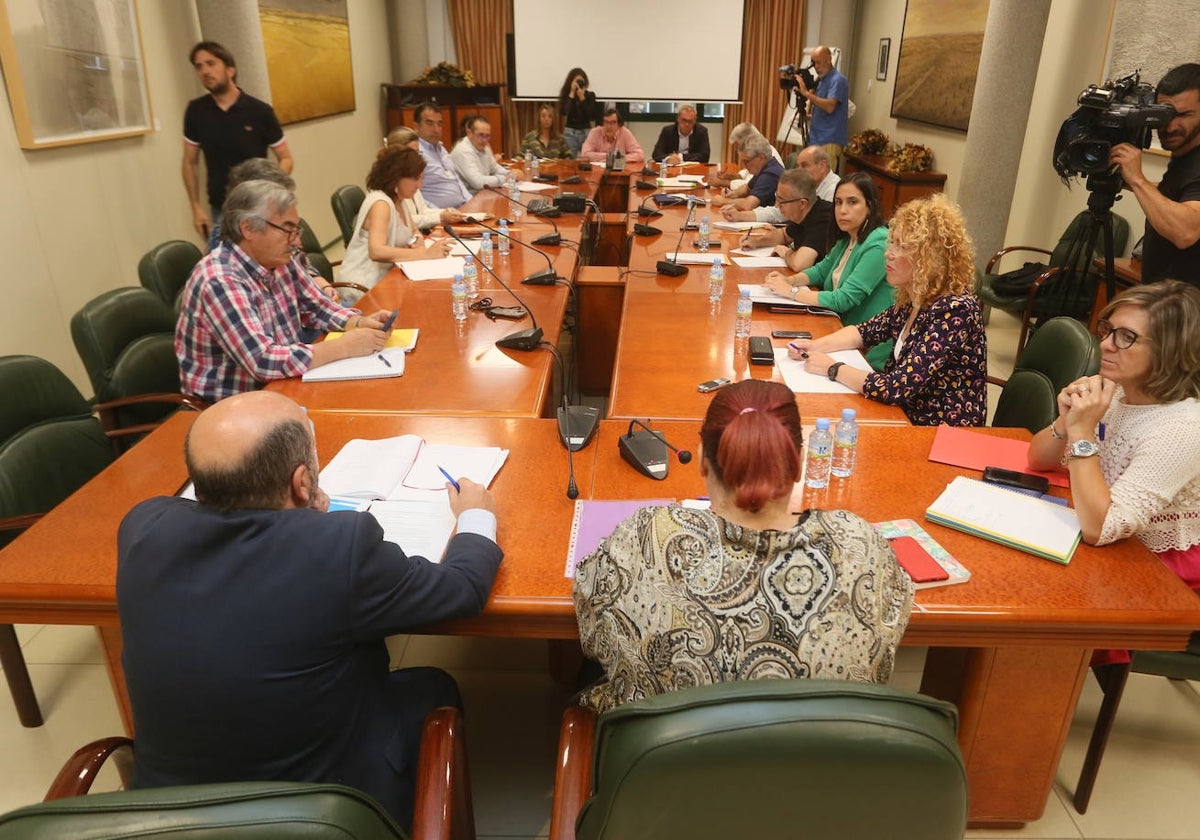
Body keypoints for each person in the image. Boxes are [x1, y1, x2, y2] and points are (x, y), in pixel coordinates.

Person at [117, 390, 503, 829]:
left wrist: (301, 516)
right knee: (434, 686)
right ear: (303, 483)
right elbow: (462, 590)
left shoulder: (142, 528)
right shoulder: (340, 547)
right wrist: (476, 515)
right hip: (321, 815)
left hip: (170, 819)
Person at [573, 379, 913, 714]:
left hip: (670, 764)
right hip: (824, 766)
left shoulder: (647, 536)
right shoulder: (859, 546)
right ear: (797, 461)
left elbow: (590, 630)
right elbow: (883, 656)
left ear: (704, 459)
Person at [1027, 279, 1200, 586]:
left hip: (1161, 570)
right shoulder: (1118, 393)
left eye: (1126, 337)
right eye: (1108, 330)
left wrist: (1081, 433)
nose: (1105, 344)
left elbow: (1101, 528)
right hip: (1107, 537)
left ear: (1170, 351)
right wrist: (1064, 422)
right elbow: (1038, 459)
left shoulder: (1183, 428)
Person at [176, 180, 391, 403]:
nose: (297, 240)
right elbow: (263, 361)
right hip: (234, 404)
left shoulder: (280, 259)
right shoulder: (219, 280)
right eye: (288, 229)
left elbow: (318, 307)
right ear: (248, 228)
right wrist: (344, 346)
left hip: (284, 384)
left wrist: (357, 323)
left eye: (296, 229)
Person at [786, 194, 988, 425]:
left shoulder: (955, 311)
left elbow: (897, 387)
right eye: (892, 242)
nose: (888, 252)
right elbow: (865, 331)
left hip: (939, 432)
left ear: (929, 258)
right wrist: (814, 346)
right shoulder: (914, 297)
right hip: (901, 416)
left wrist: (832, 368)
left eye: (901, 246)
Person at [765, 172, 892, 368]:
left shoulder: (878, 243)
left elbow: (843, 299)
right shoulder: (847, 237)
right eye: (838, 202)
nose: (842, 210)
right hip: (837, 329)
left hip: (867, 349)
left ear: (870, 206)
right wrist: (788, 281)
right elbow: (820, 271)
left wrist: (791, 292)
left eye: (852, 202)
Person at [182, 41, 292, 251]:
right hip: (221, 208)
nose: (205, 71)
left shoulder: (259, 111)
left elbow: (286, 158)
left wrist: (269, 187)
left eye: (211, 63)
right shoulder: (196, 112)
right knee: (224, 270)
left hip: (259, 208)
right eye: (199, 66)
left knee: (267, 265)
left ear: (230, 69)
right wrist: (195, 208)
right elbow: (189, 162)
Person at [1109, 63, 1200, 287]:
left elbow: (1185, 232)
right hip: (1163, 298)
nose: (1170, 126)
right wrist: (1124, 180)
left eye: (1184, 115)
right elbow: (1182, 194)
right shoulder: (1185, 158)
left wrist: (1138, 180)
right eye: (1164, 114)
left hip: (1186, 313)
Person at [221, 157, 339, 304]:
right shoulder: (223, 274)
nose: (297, 241)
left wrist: (320, 283)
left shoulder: (277, 244)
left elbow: (303, 268)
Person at [340, 148, 455, 291]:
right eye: (415, 179)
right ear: (396, 177)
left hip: (390, 278)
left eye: (421, 178)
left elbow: (414, 231)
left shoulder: (399, 200)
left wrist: (418, 241)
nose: (419, 185)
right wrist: (425, 253)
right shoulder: (381, 204)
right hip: (365, 287)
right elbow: (376, 251)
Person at [738, 169, 833, 273]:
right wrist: (756, 242)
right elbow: (783, 235)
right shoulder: (803, 213)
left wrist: (786, 252)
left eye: (782, 201)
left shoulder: (823, 218)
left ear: (802, 203)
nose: (777, 206)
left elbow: (799, 264)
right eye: (777, 198)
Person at [724, 144, 840, 225]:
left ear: (822, 166)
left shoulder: (834, 190)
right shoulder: (806, 184)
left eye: (804, 166)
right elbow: (778, 213)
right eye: (798, 166)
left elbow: (817, 227)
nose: (799, 171)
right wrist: (739, 216)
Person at [384, 128, 468, 229]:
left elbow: (423, 210)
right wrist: (440, 217)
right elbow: (405, 220)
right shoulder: (386, 183)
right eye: (411, 153)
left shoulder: (410, 177)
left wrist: (446, 212)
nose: (416, 157)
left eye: (418, 153)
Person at [797, 45, 849, 174]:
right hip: (816, 138)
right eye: (814, 63)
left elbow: (830, 106)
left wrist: (807, 94)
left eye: (819, 62)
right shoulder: (821, 80)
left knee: (824, 182)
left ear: (829, 59)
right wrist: (810, 114)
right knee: (812, 180)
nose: (816, 67)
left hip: (829, 141)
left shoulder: (838, 80)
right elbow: (820, 105)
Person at [412, 102, 472, 209]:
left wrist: (471, 202)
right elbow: (413, 194)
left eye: (439, 124)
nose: (436, 129)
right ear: (416, 127)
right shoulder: (414, 152)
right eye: (430, 124)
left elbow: (455, 179)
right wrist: (439, 214)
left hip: (462, 209)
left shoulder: (441, 149)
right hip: (440, 217)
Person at [710, 134, 783, 212]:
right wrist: (732, 194)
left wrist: (723, 201)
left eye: (746, 161)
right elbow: (747, 188)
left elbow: (748, 205)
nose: (743, 165)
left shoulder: (771, 174)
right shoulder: (764, 167)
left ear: (761, 157)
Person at [708, 122, 784, 189]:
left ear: (748, 141)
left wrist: (721, 183)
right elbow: (746, 174)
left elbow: (750, 185)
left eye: (739, 145)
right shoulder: (759, 150)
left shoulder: (765, 154)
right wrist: (729, 177)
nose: (738, 148)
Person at [450, 114, 509, 193]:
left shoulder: (484, 147)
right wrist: (504, 178)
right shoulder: (463, 150)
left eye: (487, 136)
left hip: (483, 193)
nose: (484, 140)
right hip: (469, 199)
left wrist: (510, 174)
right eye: (481, 135)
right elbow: (477, 182)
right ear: (468, 133)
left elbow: (494, 167)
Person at [559, 67, 602, 158]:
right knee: (569, 159)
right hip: (570, 132)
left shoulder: (590, 95)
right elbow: (564, 112)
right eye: (576, 81)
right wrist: (572, 93)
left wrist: (582, 98)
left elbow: (591, 115)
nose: (578, 84)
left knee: (587, 160)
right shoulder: (567, 94)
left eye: (581, 81)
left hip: (586, 131)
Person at [580, 108, 645, 164]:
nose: (609, 126)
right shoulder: (595, 132)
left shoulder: (625, 133)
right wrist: (609, 157)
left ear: (619, 124)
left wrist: (616, 159)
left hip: (620, 173)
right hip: (598, 171)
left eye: (613, 122)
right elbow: (584, 154)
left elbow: (640, 155)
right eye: (606, 122)